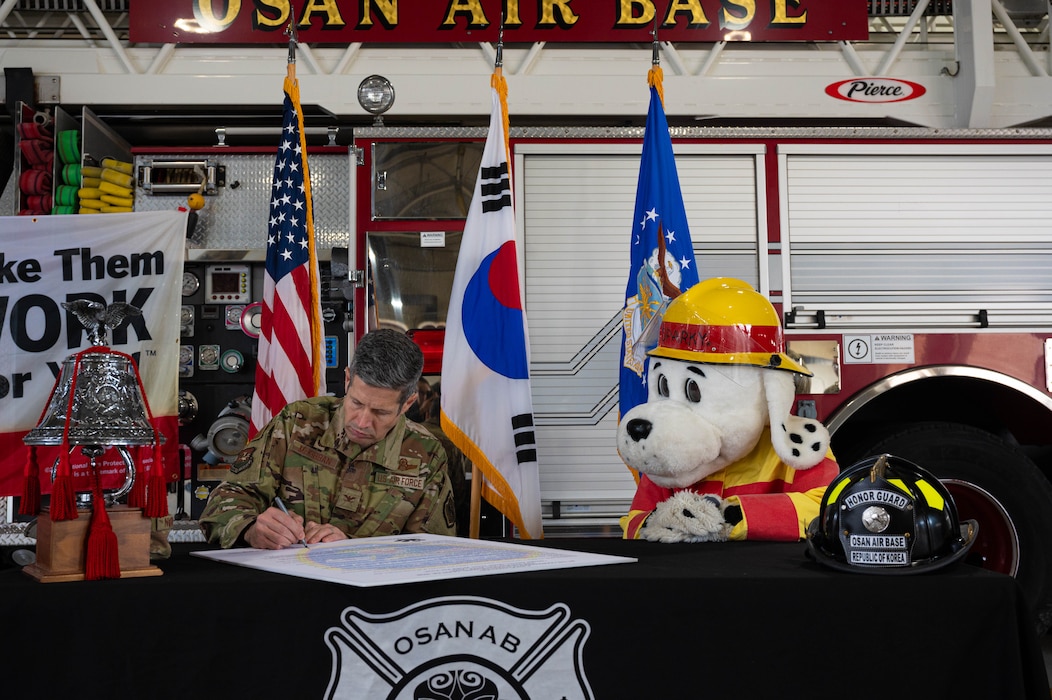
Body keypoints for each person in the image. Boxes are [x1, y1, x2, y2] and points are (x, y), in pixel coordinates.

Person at [199, 328, 458, 549]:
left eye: (381, 412)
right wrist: (251, 528)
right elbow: (223, 503)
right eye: (356, 402)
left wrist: (354, 548)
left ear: (407, 404)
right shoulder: (297, 423)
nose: (362, 421)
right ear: (347, 379)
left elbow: (433, 551)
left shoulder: (427, 453)